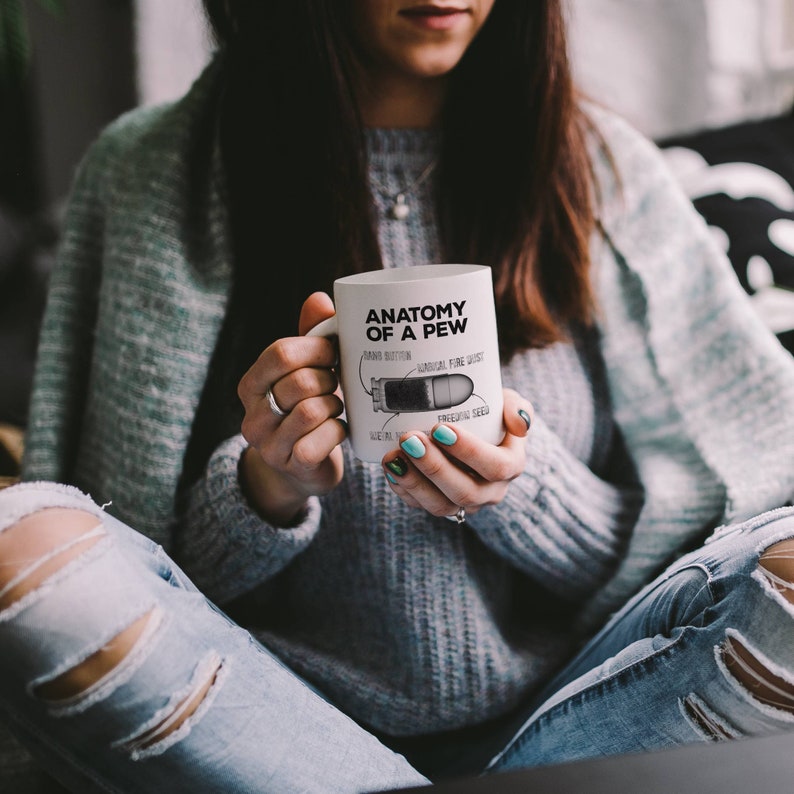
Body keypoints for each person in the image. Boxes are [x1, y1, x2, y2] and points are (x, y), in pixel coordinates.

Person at [2, 0, 794, 791]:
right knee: (24, 550)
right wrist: (263, 492)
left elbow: (685, 528)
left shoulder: (601, 170)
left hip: (579, 704)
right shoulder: (150, 173)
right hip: (270, 722)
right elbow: (139, 559)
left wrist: (524, 490)